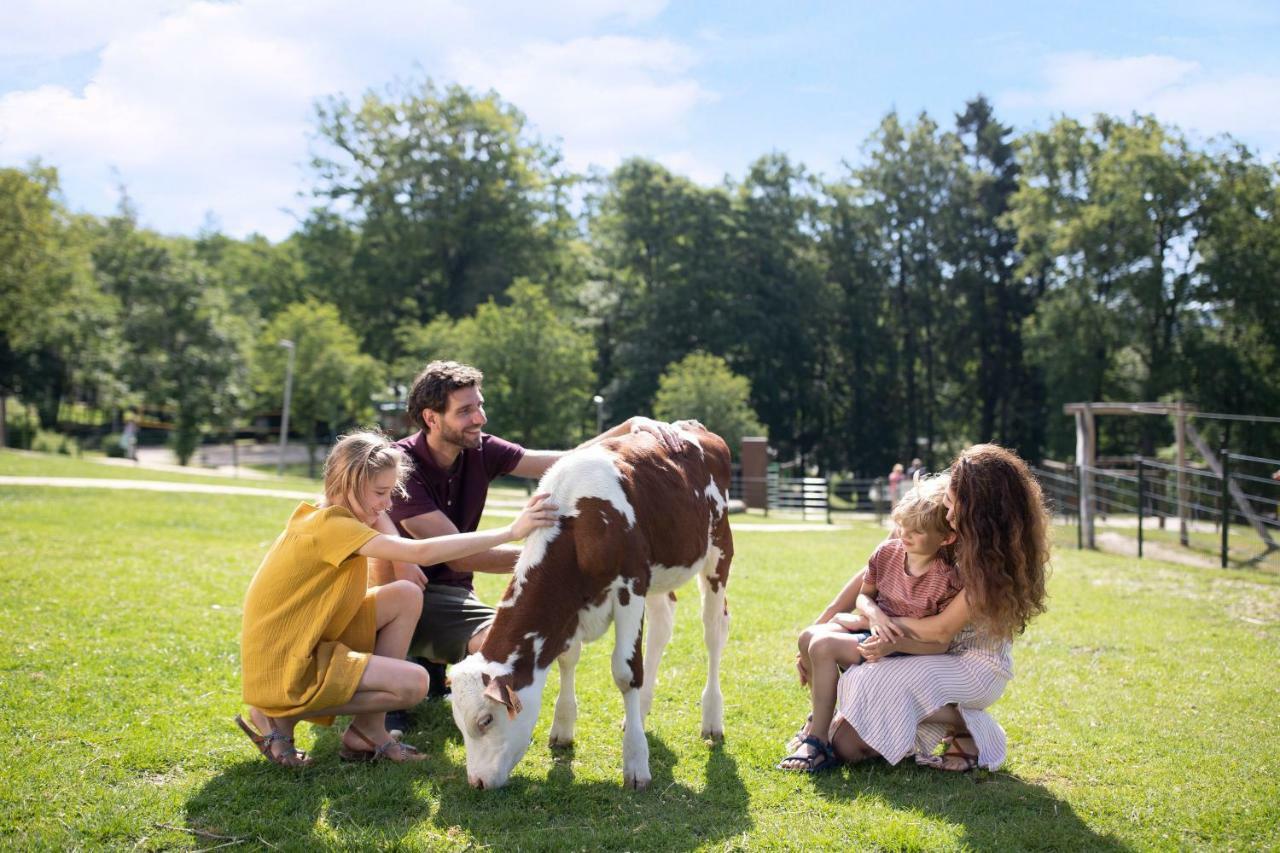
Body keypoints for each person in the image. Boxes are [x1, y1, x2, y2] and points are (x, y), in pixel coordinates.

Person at [378, 361, 681, 724]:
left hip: (457, 594)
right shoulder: (402, 467)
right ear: (431, 418)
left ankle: (430, 665)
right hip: (411, 594)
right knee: (508, 644)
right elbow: (461, 555)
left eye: (479, 405)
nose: (480, 418)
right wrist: (551, 560)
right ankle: (402, 673)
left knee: (515, 637)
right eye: (465, 411)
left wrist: (627, 428)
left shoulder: (481, 450)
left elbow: (566, 461)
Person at [235, 429, 557, 767]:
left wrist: (388, 530)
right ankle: (276, 714)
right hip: (287, 660)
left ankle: (368, 731)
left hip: (307, 638)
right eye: (380, 493)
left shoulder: (328, 513)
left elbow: (392, 533)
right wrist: (511, 531)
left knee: (404, 595)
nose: (387, 504)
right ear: (347, 484)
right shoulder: (335, 528)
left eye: (391, 492)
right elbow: (423, 550)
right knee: (414, 684)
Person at [821, 443, 1050, 774]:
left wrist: (874, 620)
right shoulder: (935, 516)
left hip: (970, 665)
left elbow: (942, 629)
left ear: (978, 508)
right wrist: (827, 620)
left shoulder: (990, 562)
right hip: (926, 650)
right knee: (845, 742)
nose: (946, 506)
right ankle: (922, 726)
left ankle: (969, 724)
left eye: (953, 501)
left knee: (863, 687)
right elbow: (874, 569)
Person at [780, 475, 962, 772]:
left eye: (916, 531)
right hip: (875, 628)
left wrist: (894, 637)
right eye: (902, 525)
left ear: (946, 538)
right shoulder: (887, 554)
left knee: (824, 645)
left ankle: (817, 741)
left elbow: (940, 641)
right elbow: (864, 596)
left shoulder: (945, 578)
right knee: (808, 637)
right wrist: (875, 616)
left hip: (906, 648)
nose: (904, 535)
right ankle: (820, 722)